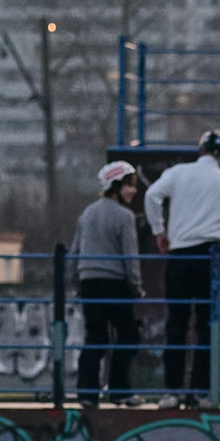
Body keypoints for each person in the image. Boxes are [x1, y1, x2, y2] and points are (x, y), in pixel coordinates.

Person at [144, 128, 220, 402]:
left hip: (179, 254)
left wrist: (159, 231)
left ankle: (172, 391)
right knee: (206, 326)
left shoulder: (178, 173)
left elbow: (151, 196)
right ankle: (202, 391)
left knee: (176, 324)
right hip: (210, 256)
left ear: (200, 151)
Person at [75, 161, 145, 406]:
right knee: (128, 335)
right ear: (117, 186)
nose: (133, 191)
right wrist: (136, 287)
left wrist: (76, 282)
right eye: (129, 185)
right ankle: (119, 389)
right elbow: (130, 257)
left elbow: (74, 251)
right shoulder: (124, 216)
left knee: (95, 336)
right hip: (114, 282)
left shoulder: (87, 213)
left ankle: (87, 393)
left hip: (89, 282)